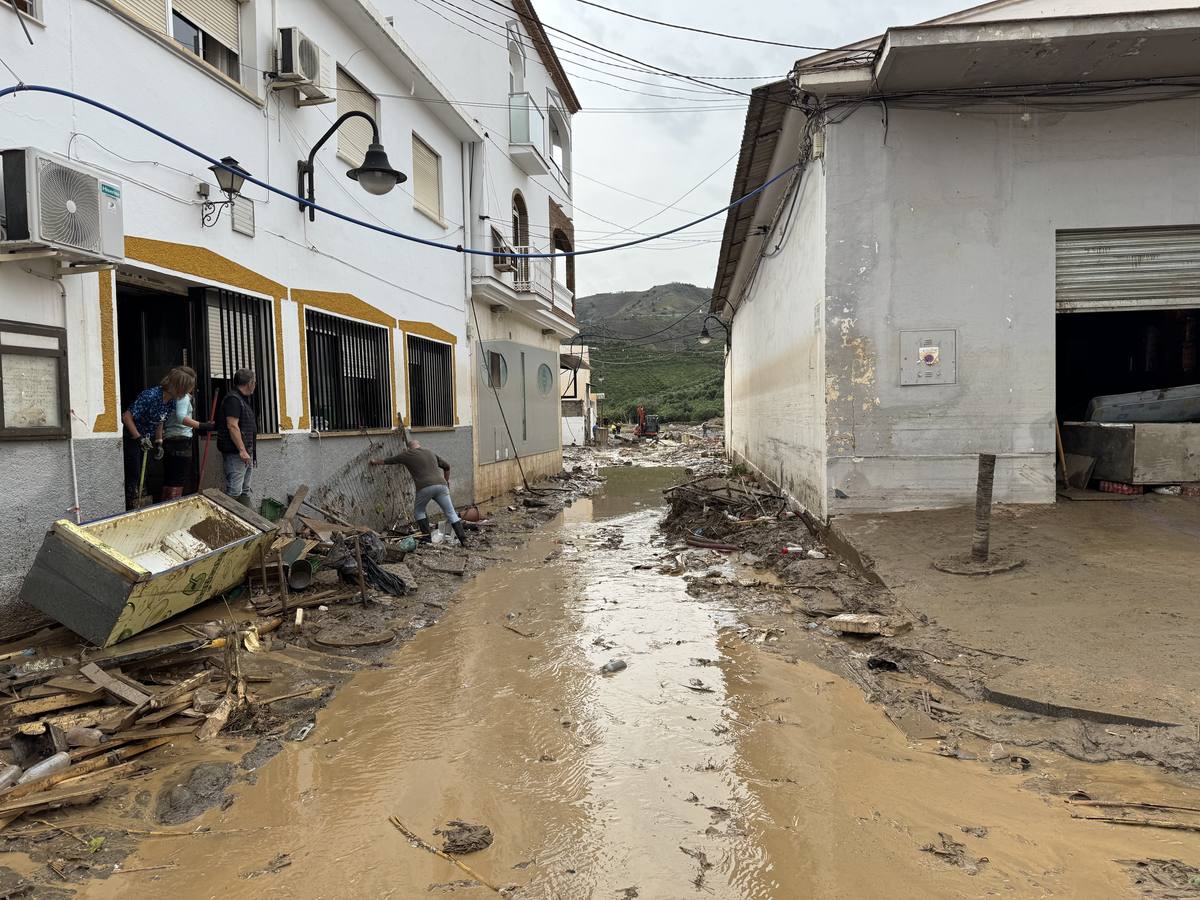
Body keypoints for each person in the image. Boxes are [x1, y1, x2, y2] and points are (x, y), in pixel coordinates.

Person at [369, 439, 468, 546]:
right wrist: (446, 481)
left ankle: (426, 539)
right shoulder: (430, 452)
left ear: (409, 447)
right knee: (451, 513)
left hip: (425, 487)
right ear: (419, 445)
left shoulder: (406, 455)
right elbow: (447, 466)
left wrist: (373, 461)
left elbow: (388, 461)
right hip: (442, 486)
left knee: (419, 511)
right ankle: (464, 540)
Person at [121, 367, 196, 508]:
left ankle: (142, 506)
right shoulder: (150, 396)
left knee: (147, 474)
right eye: (185, 390)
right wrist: (139, 438)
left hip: (148, 440)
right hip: (134, 438)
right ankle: (131, 507)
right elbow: (126, 417)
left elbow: (160, 421)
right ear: (178, 387)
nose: (187, 393)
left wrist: (159, 442)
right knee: (135, 474)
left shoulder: (171, 401)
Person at [162, 366, 214, 500]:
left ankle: (166, 506)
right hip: (181, 441)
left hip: (169, 439)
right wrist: (202, 425)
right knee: (178, 479)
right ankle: (173, 507)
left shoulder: (170, 396)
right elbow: (181, 417)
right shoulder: (183, 398)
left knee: (170, 478)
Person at [216, 369, 257, 505]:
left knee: (244, 490)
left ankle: (250, 523)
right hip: (236, 454)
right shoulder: (233, 399)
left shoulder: (242, 399)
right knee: (234, 491)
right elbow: (232, 426)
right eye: (254, 382)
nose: (255, 385)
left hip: (245, 453)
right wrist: (242, 450)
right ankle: (224, 522)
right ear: (250, 383)